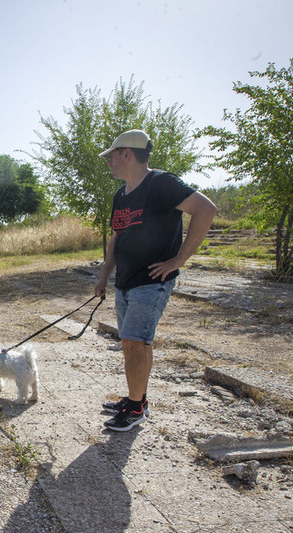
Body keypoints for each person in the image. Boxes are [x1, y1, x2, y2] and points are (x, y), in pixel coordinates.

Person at [93, 129, 217, 431]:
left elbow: (206, 209)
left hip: (152, 281)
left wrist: (179, 259)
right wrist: (104, 275)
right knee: (135, 343)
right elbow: (117, 236)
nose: (109, 161)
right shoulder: (120, 195)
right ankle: (138, 400)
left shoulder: (161, 183)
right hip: (125, 281)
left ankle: (135, 411)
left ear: (127, 153)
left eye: (112, 155)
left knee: (135, 341)